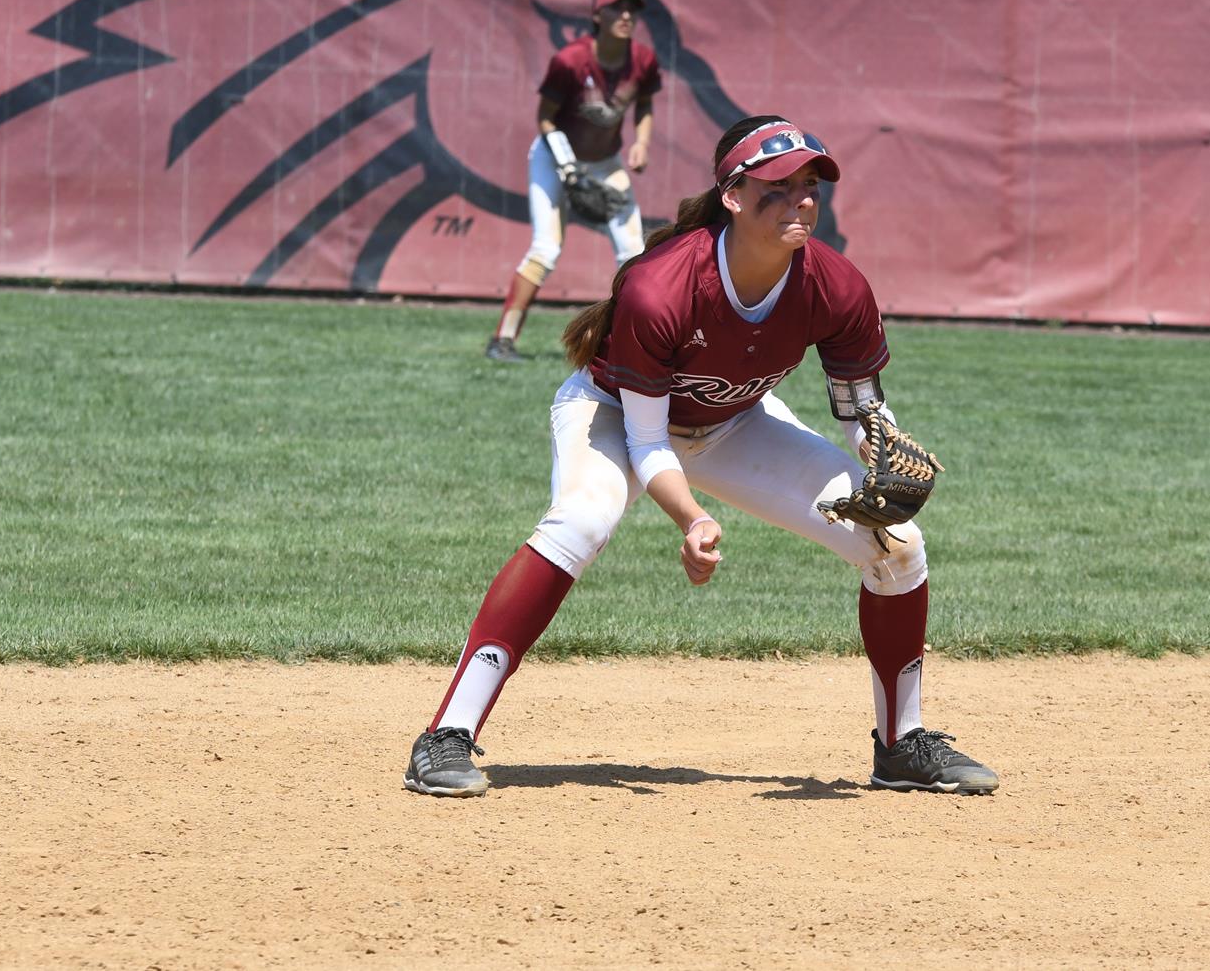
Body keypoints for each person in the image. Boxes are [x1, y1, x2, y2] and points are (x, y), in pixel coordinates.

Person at [408, 115, 999, 797]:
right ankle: (443, 737)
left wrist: (881, 453)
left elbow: (860, 408)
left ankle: (901, 747)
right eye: (776, 187)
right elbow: (648, 441)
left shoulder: (835, 286)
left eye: (808, 185)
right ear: (733, 196)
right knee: (582, 521)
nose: (798, 200)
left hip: (731, 423)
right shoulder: (660, 287)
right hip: (610, 414)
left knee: (898, 545)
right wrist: (691, 517)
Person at [485, 0, 661, 362]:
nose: (627, 16)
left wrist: (642, 142)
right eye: (617, 8)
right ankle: (502, 339)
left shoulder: (643, 60)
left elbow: (644, 103)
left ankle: (627, 346)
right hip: (554, 157)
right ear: (598, 16)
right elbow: (545, 120)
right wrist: (567, 166)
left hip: (605, 162)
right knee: (546, 247)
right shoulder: (570, 60)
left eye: (633, 9)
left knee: (634, 252)